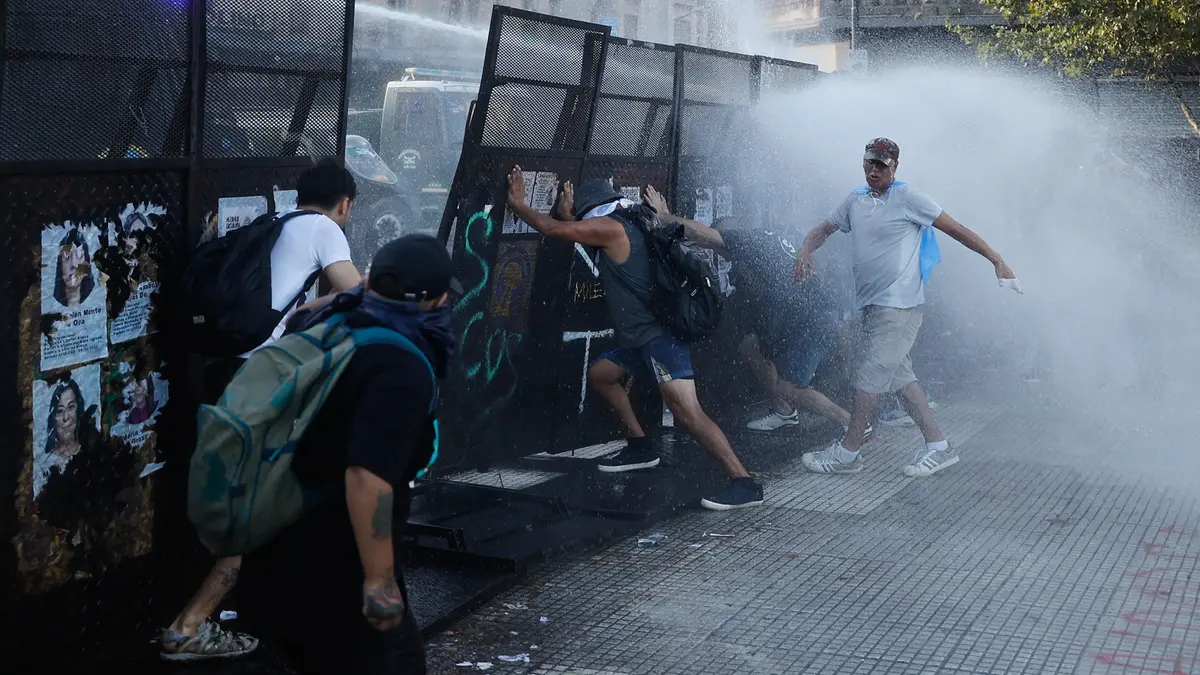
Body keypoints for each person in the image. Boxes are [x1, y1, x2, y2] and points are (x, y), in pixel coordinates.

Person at [161, 157, 365, 661]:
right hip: (259, 378)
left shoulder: (273, 223)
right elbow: (357, 293)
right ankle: (187, 627)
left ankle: (266, 600)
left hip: (220, 370)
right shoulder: (322, 227)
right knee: (255, 499)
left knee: (254, 490)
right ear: (344, 204)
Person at [235, 234, 456, 675]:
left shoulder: (325, 326)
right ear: (437, 301)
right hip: (337, 573)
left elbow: (300, 317)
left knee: (404, 657)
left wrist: (357, 293)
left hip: (278, 553)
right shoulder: (399, 366)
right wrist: (378, 580)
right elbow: (366, 477)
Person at [505, 167, 763, 511]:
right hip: (645, 337)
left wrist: (519, 204)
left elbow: (553, 229)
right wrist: (571, 215)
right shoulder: (635, 220)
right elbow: (581, 234)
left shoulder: (611, 228)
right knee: (602, 375)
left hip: (659, 339)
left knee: (687, 414)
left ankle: (743, 482)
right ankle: (640, 447)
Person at [794, 138, 1019, 477]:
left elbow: (956, 230)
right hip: (871, 306)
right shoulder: (855, 200)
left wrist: (996, 259)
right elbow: (823, 230)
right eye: (870, 162)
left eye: (881, 165)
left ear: (895, 168)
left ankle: (848, 452)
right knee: (903, 379)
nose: (874, 169)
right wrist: (805, 252)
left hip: (899, 306)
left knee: (868, 375)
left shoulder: (908, 198)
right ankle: (938, 446)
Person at [642, 186, 873, 442]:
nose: (718, 250)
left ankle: (853, 425)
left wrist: (664, 217)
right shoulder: (768, 240)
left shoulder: (747, 241)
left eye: (721, 242)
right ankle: (784, 412)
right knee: (750, 346)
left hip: (814, 322)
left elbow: (700, 233)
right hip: (804, 318)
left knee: (791, 387)